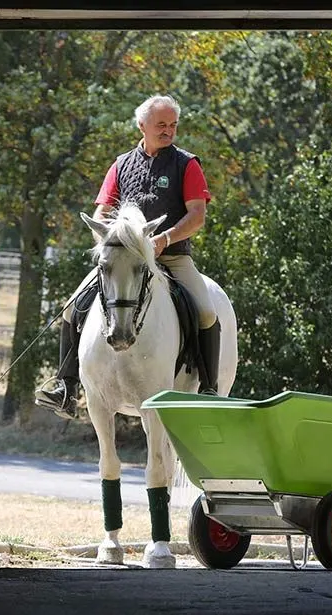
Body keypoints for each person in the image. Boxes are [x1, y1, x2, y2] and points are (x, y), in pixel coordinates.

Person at [35, 94, 220, 419]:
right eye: (161, 124)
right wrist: (111, 244)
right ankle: (66, 387)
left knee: (206, 312)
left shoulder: (187, 164)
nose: (168, 130)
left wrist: (164, 239)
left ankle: (208, 388)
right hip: (123, 261)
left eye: (173, 124)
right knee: (71, 308)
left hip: (171, 256)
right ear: (142, 125)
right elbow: (102, 213)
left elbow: (197, 216)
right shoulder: (121, 165)